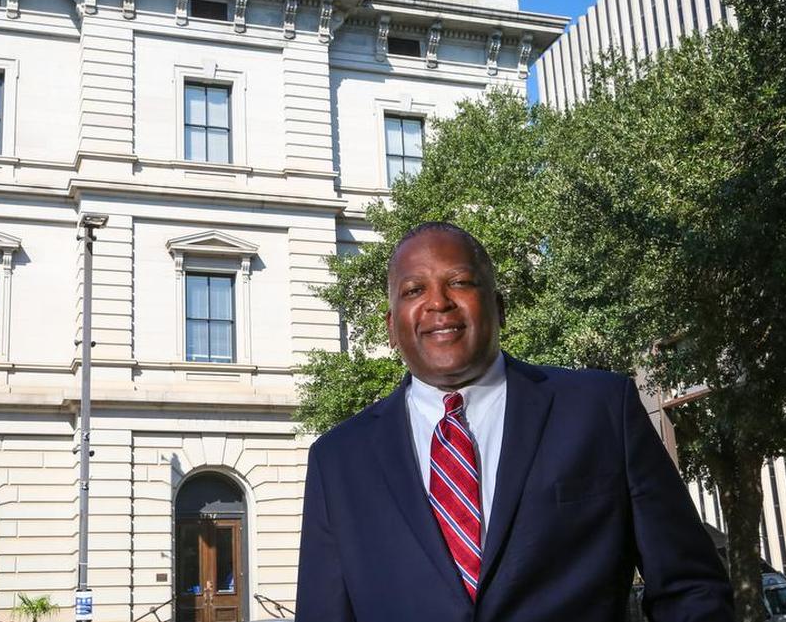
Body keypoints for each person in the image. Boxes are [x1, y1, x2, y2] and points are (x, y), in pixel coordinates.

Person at [295, 222, 733, 622]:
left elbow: (689, 587)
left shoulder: (600, 410)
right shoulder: (338, 461)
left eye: (460, 282)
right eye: (413, 290)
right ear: (391, 326)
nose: (438, 303)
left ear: (499, 307)